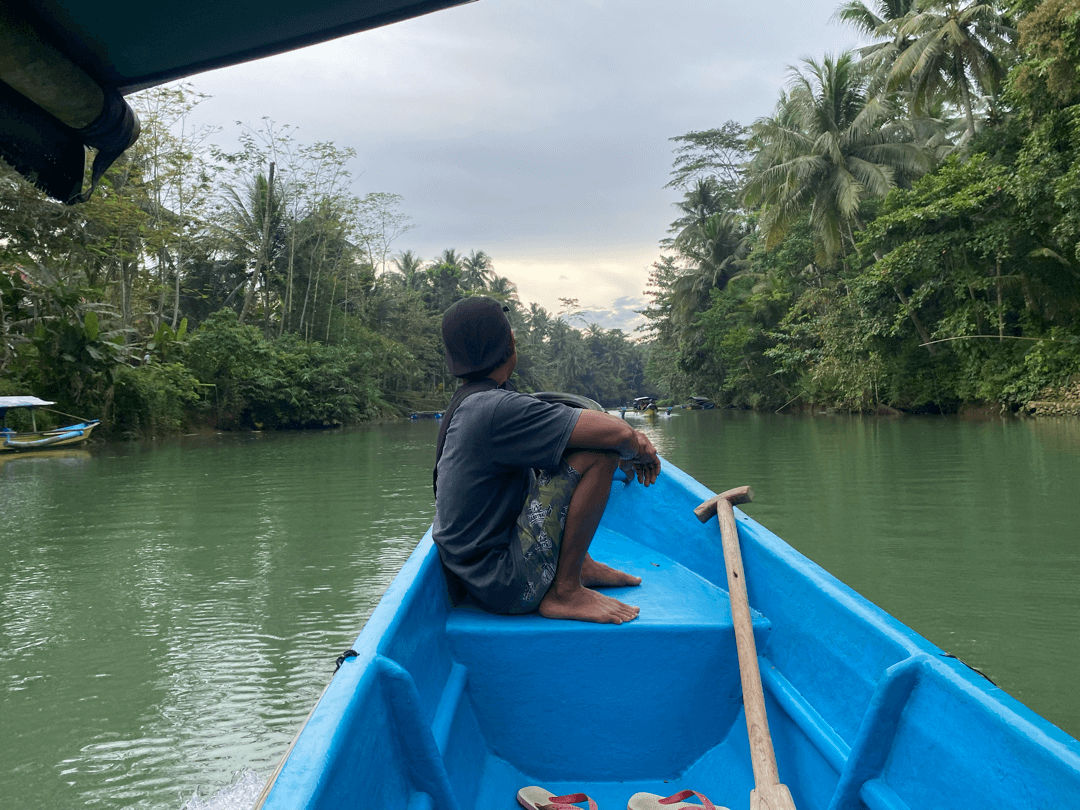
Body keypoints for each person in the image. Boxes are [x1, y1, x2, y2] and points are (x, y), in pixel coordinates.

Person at [433, 296, 660, 624]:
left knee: (562, 445)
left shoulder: (471, 402)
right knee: (599, 452)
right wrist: (638, 449)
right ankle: (566, 592)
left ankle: (581, 565)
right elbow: (619, 435)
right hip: (505, 584)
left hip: (476, 574)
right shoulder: (496, 409)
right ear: (509, 342)